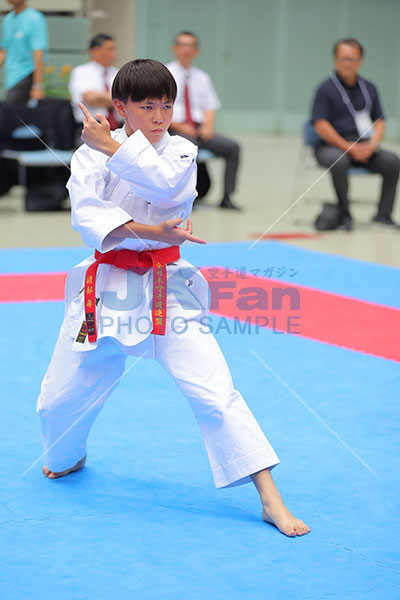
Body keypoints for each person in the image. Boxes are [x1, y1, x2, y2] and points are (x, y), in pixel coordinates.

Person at [37, 59, 310, 538]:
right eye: (147, 107)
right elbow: (87, 216)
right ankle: (68, 455)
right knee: (58, 400)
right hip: (106, 288)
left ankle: (270, 498)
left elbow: (167, 187)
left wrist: (113, 149)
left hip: (168, 287)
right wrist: (150, 228)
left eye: (166, 105)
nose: (160, 116)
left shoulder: (182, 150)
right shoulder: (87, 155)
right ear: (120, 107)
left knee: (214, 391)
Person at [311, 38, 400, 230]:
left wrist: (373, 144)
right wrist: (347, 147)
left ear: (360, 61)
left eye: (351, 59)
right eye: (342, 58)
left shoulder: (369, 88)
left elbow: (380, 121)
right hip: (332, 146)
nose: (347, 63)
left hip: (364, 146)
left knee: (392, 161)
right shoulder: (325, 89)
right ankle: (345, 214)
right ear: (335, 60)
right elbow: (320, 124)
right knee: (339, 161)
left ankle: (383, 215)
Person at [166, 32, 241, 210]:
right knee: (188, 147)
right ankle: (184, 197)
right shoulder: (165, 74)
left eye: (190, 46)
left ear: (196, 51)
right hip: (175, 128)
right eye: (182, 45)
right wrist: (179, 126)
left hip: (199, 129)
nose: (186, 50)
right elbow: (160, 108)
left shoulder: (202, 77)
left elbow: (210, 107)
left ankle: (227, 197)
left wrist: (207, 126)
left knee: (233, 147)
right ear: (175, 48)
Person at [69, 33, 121, 130]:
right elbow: (91, 99)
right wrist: (118, 99)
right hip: (90, 127)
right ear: (95, 51)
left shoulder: (118, 73)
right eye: (110, 49)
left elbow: (128, 99)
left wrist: (102, 98)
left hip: (118, 127)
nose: (114, 54)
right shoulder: (81, 72)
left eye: (114, 49)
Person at [0, 0, 48, 105]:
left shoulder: (35, 18)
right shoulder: (8, 19)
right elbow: (4, 51)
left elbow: (38, 53)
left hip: (26, 75)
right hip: (11, 79)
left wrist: (37, 85)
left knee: (11, 111)